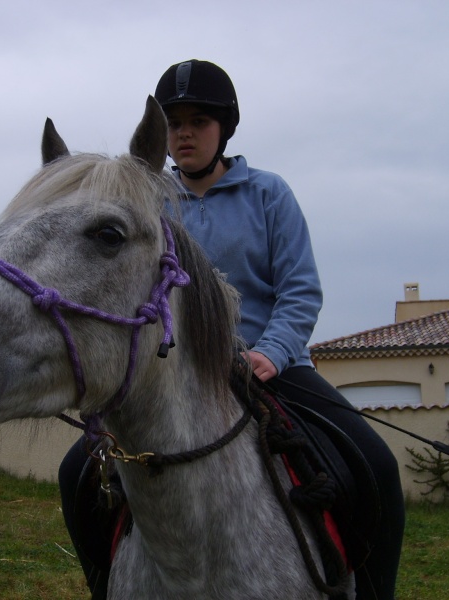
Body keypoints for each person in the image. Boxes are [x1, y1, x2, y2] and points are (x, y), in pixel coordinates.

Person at [59, 59, 405, 600]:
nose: (184, 134)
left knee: (375, 463)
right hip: (172, 379)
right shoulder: (149, 206)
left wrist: (271, 351)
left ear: (224, 128)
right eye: (174, 124)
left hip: (269, 368)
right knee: (74, 474)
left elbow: (300, 290)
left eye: (198, 121)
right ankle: (105, 584)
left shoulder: (269, 194)